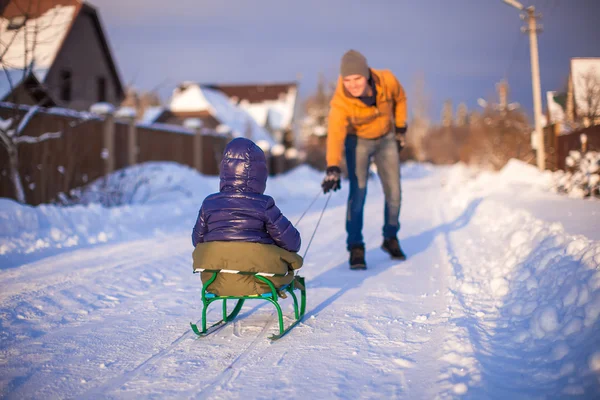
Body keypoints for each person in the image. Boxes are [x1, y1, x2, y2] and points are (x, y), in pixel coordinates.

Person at [321, 49, 407, 270]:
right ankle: (356, 246)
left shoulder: (387, 80)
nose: (352, 84)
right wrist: (332, 166)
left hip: (387, 137)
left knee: (394, 192)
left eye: (357, 78)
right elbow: (335, 133)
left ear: (366, 74)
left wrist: (400, 128)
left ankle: (390, 237)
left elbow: (401, 98)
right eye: (347, 79)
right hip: (357, 140)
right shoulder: (341, 101)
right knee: (358, 192)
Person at [192, 137, 303, 296]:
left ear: (224, 170)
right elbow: (293, 243)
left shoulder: (209, 204)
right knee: (288, 257)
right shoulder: (263, 204)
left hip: (215, 282)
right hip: (261, 282)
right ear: (260, 174)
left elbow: (197, 241)